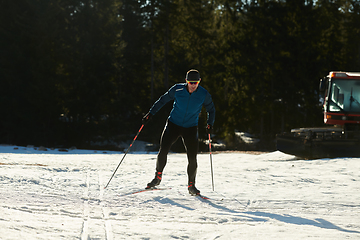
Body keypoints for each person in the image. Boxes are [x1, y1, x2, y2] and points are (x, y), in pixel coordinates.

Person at [142, 69, 215, 195]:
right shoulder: (177, 89)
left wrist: (210, 123)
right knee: (163, 150)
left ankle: (191, 185)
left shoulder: (203, 94)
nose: (193, 85)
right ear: (186, 81)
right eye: (191, 82)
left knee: (192, 158)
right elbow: (163, 100)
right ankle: (157, 177)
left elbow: (211, 109)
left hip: (191, 128)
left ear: (199, 81)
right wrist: (150, 113)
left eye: (195, 82)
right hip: (173, 124)